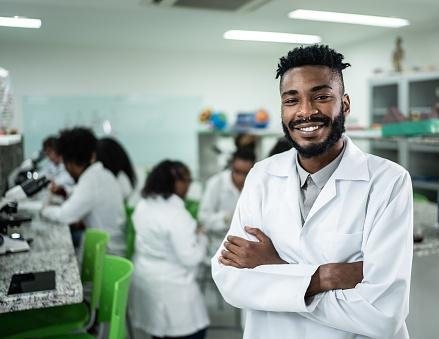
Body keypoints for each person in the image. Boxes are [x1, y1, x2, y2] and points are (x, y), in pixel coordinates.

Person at [211, 45, 413, 339]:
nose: (305, 111)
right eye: (292, 100)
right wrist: (325, 276)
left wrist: (274, 269)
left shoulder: (388, 182)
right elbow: (229, 279)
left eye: (321, 96)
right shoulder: (262, 175)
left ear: (344, 104)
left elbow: (382, 315)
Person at [129, 160, 209, 339]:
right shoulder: (176, 215)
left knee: (159, 332)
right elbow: (191, 257)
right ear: (175, 182)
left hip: (146, 276)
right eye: (187, 180)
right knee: (192, 332)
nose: (188, 185)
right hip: (173, 286)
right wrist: (202, 236)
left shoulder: (143, 205)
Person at [41, 127, 126, 256]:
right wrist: (65, 193)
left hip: (106, 254)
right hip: (114, 246)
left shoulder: (90, 180)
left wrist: (44, 210)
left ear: (69, 162)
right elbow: (81, 196)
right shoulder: (102, 173)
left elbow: (65, 215)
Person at [198, 147, 256, 233]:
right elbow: (203, 218)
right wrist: (227, 218)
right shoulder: (216, 183)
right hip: (218, 241)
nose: (241, 178)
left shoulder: (256, 184)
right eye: (237, 171)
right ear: (231, 165)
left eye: (246, 173)